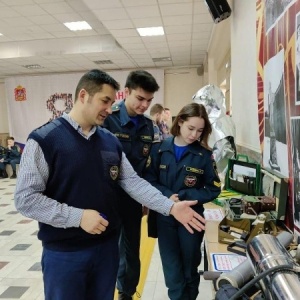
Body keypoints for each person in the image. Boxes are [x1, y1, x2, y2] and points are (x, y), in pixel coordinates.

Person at [14, 69, 205, 300]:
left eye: (112, 102)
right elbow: (26, 199)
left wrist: (170, 207)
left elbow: (132, 181)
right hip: (65, 253)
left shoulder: (109, 141)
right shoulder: (45, 140)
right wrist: (78, 217)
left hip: (105, 249)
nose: (109, 108)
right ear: (83, 95)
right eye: (105, 101)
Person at [145, 102, 221, 300]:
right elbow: (149, 181)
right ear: (180, 122)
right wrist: (167, 195)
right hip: (165, 217)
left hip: (191, 219)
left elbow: (213, 188)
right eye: (191, 128)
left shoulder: (203, 156)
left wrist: (186, 196)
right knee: (172, 272)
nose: (194, 134)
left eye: (200, 130)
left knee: (189, 268)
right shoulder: (160, 150)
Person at [102, 70, 160, 300]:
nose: (144, 105)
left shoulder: (148, 126)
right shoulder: (108, 119)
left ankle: (126, 292)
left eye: (149, 100)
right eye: (140, 98)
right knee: (105, 248)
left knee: (131, 249)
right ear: (125, 92)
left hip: (133, 198)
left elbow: (147, 167)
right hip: (105, 198)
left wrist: (147, 199)